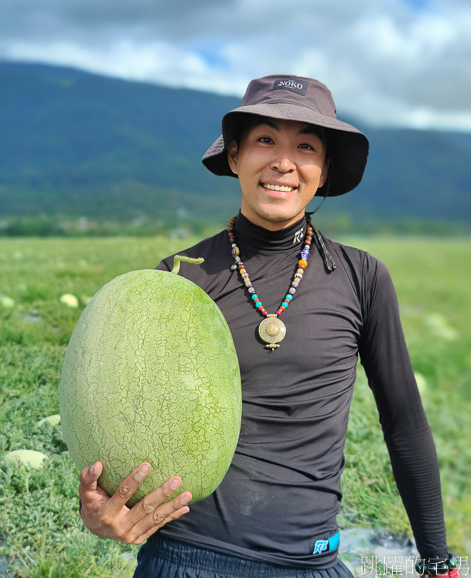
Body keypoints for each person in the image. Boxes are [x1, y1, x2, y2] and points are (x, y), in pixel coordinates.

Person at [79, 75, 455, 578]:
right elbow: (117, 416)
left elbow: (404, 421)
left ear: (323, 172)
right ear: (234, 156)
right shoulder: (177, 278)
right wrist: (99, 509)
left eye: (305, 145)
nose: (284, 162)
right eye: (265, 140)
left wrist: (437, 559)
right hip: (187, 558)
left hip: (311, 562)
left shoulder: (362, 277)